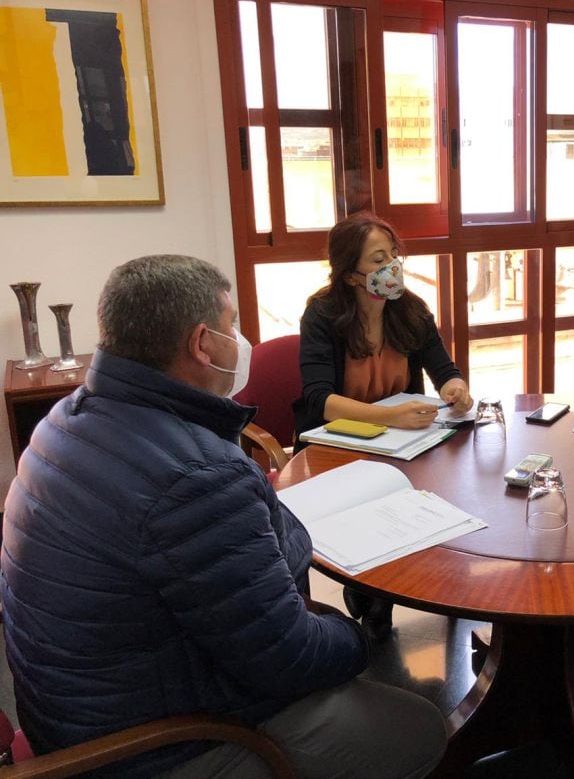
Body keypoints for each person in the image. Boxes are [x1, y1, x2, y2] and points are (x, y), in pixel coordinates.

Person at [0, 255, 447, 779]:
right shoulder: (194, 476)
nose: (240, 339)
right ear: (202, 344)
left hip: (71, 708)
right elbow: (290, 659)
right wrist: (358, 638)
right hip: (149, 747)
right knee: (419, 725)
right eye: (231, 324)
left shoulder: (65, 418)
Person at [295, 212, 472, 635]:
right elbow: (321, 401)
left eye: (394, 255)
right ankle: (372, 592)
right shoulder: (321, 314)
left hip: (400, 441)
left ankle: (386, 589)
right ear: (351, 274)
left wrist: (456, 388)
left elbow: (442, 367)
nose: (391, 267)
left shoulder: (409, 309)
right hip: (339, 441)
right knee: (370, 506)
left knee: (423, 500)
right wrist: (390, 416)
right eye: (377, 260)